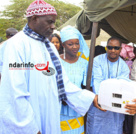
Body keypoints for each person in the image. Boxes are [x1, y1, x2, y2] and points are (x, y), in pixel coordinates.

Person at [0, 1, 97, 134]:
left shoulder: (48, 46)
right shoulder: (16, 45)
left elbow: (62, 83)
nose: (53, 26)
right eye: (49, 22)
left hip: (50, 114)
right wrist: (30, 129)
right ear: (34, 19)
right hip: (31, 120)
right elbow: (14, 91)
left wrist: (92, 98)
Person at [86, 37, 130, 134]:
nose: (112, 50)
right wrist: (101, 98)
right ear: (106, 48)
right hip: (99, 104)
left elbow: (121, 86)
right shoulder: (97, 60)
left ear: (120, 49)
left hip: (116, 108)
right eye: (110, 47)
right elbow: (97, 80)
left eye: (116, 48)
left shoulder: (124, 67)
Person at [59, 25, 90, 133]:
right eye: (70, 44)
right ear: (63, 44)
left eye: (77, 43)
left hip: (77, 108)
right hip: (59, 109)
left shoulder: (84, 63)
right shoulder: (56, 62)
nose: (74, 47)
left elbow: (86, 87)